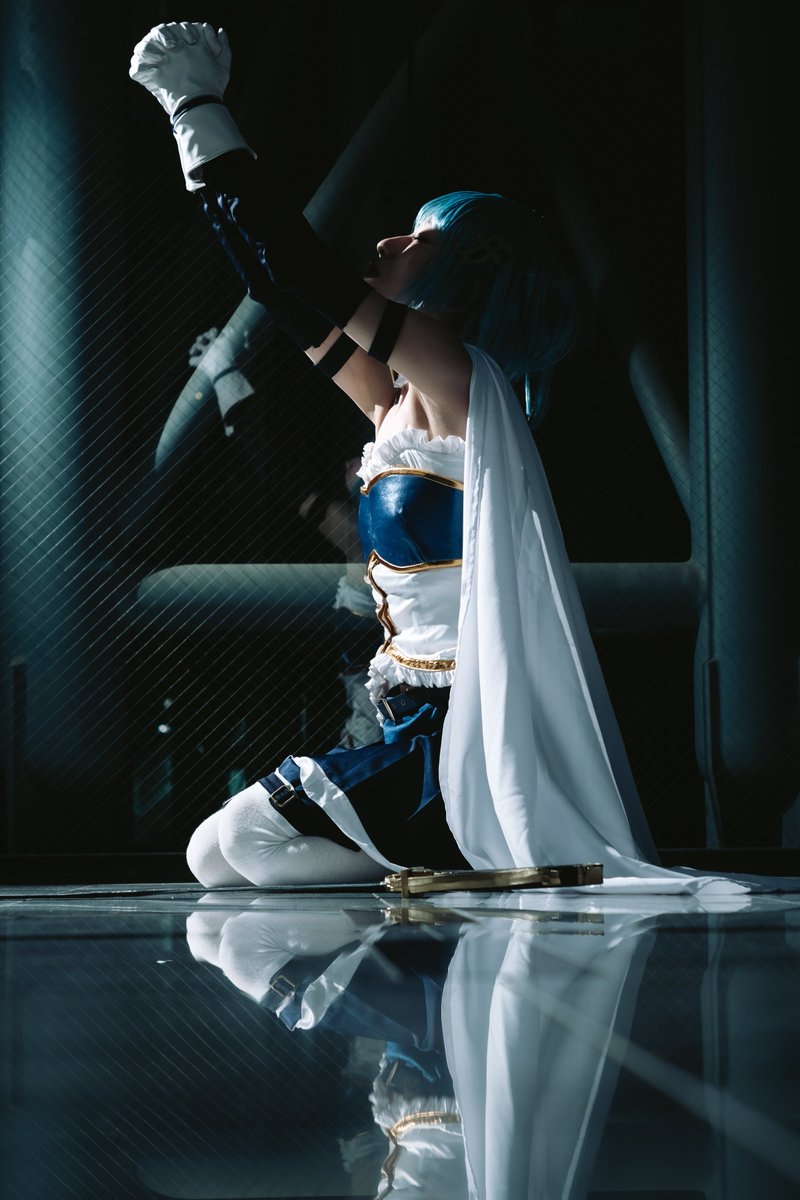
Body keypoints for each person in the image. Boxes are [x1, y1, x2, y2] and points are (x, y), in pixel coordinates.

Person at [129, 22, 798, 895]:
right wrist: (188, 121)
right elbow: (277, 285)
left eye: (423, 241)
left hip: (458, 728)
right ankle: (441, 858)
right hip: (409, 715)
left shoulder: (459, 378)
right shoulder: (393, 403)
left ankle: (449, 847)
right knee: (215, 856)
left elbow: (301, 265)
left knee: (235, 848)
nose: (391, 245)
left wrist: (201, 106)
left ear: (472, 274)